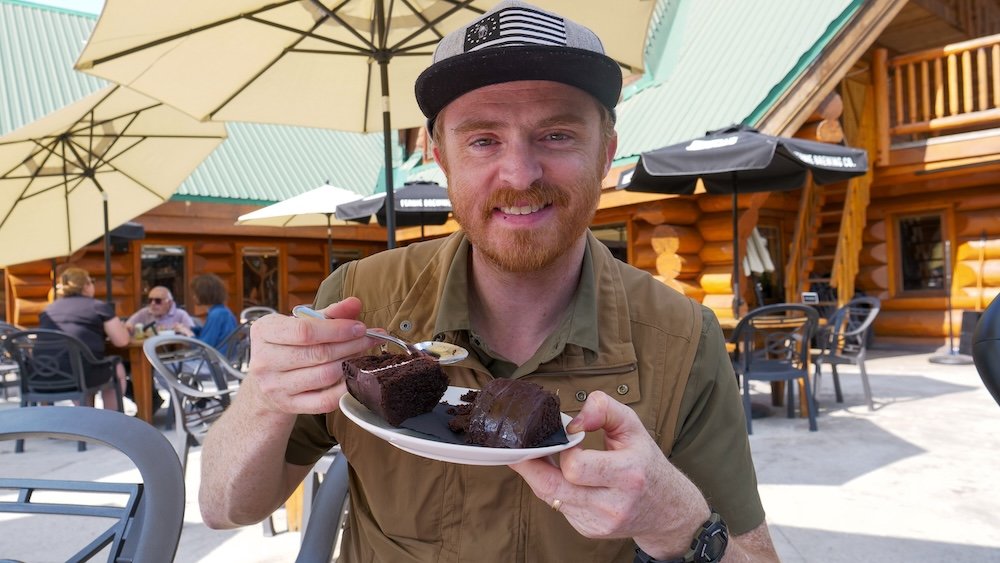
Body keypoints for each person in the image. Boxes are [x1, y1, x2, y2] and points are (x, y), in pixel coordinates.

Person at [199, 2, 779, 561]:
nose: (521, 174)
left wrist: (679, 525)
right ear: (439, 156)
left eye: (556, 135)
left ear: (606, 152)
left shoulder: (681, 338)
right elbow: (225, 509)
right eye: (482, 140)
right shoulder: (359, 302)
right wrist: (262, 398)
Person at [38, 267, 130, 409]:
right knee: (116, 368)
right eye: (91, 281)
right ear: (86, 286)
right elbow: (122, 341)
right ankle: (111, 421)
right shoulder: (97, 306)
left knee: (84, 365)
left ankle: (86, 419)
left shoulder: (48, 310)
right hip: (79, 375)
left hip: (42, 374)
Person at [175, 274, 237, 351]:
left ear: (204, 293)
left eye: (196, 293)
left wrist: (188, 333)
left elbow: (203, 347)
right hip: (223, 359)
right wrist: (191, 329)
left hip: (216, 361)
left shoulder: (217, 314)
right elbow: (211, 334)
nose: (193, 296)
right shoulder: (222, 311)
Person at [124, 286, 195, 335]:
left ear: (169, 302)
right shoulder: (144, 312)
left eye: (158, 301)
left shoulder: (181, 314)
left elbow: (192, 334)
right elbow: (128, 326)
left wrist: (181, 330)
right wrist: (128, 328)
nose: (152, 303)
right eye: (150, 300)